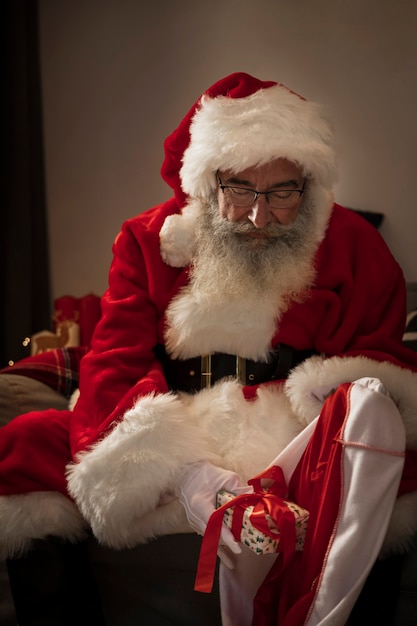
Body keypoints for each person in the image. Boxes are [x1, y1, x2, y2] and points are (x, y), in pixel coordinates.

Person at [1, 71, 417, 626]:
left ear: (308, 184)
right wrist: (183, 470)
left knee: (399, 468)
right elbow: (113, 358)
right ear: (208, 181)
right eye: (240, 189)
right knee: (20, 450)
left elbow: (379, 355)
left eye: (282, 192)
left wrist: (327, 413)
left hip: (297, 427)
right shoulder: (146, 238)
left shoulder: (353, 244)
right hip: (179, 415)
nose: (258, 215)